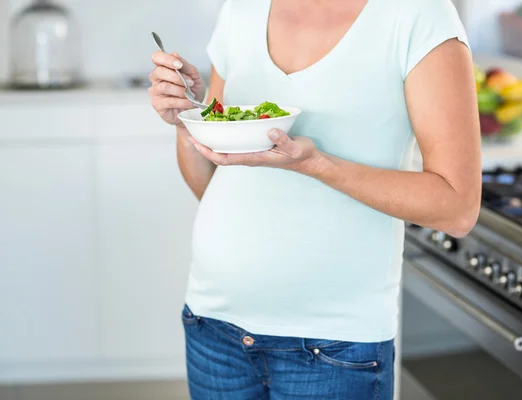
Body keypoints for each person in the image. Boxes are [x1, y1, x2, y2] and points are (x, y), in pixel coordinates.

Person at [148, 0, 481, 398]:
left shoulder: (415, 14)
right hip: (213, 321)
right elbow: (214, 181)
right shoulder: (242, 10)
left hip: (335, 342)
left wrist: (316, 164)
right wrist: (188, 121)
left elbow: (457, 207)